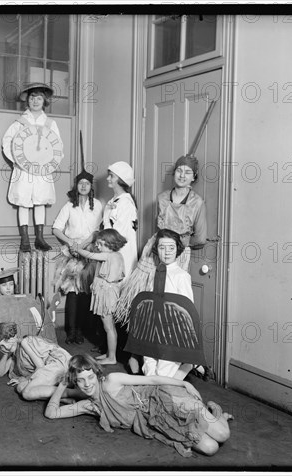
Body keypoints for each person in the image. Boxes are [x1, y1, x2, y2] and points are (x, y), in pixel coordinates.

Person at [44, 354, 233, 457]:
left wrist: (184, 383)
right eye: (80, 380)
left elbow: (151, 380)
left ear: (96, 373)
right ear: (74, 381)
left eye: (90, 377)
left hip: (164, 398)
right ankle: (214, 417)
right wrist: (61, 384)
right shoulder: (89, 406)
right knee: (211, 448)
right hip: (155, 420)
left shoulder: (111, 380)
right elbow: (52, 413)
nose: (87, 384)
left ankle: (215, 412)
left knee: (223, 434)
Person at [2, 82, 63, 252]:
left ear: (44, 101)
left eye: (39, 98)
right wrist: (17, 159)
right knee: (23, 201)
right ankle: (25, 239)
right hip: (24, 169)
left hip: (42, 169)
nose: (35, 101)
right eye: (32, 97)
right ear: (27, 101)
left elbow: (57, 147)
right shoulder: (20, 122)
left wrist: (49, 163)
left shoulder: (50, 124)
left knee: (40, 201)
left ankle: (40, 238)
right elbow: (7, 142)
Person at [52, 169, 103, 345]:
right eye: (80, 183)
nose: (83, 186)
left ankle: (82, 330)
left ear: (91, 187)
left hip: (89, 252)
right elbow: (56, 228)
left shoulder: (97, 205)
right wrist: (71, 243)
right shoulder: (69, 206)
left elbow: (97, 231)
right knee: (73, 292)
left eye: (87, 183)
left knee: (85, 292)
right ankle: (71, 331)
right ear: (76, 186)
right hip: (72, 254)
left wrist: (82, 246)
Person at [139, 228, 196, 380]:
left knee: (163, 373)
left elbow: (187, 307)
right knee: (149, 363)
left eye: (171, 248)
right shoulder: (154, 272)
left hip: (171, 329)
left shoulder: (182, 276)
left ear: (178, 249)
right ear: (156, 249)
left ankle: (187, 366)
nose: (167, 252)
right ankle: (153, 386)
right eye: (162, 247)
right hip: (152, 325)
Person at [70, 229, 127, 366]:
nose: (98, 247)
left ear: (110, 243)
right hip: (106, 291)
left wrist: (77, 248)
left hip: (107, 294)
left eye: (101, 244)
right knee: (109, 326)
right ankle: (109, 353)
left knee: (108, 327)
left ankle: (112, 357)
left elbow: (90, 255)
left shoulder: (110, 256)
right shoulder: (115, 255)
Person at [0, 322, 79, 401]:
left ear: (14, 337)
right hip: (48, 372)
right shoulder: (14, 355)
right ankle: (63, 398)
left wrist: (26, 378)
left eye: (6, 341)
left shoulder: (24, 342)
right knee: (20, 388)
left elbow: (40, 367)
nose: (4, 348)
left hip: (57, 364)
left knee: (25, 391)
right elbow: (0, 373)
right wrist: (5, 352)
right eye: (0, 347)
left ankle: (75, 393)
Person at [156, 155, 207, 272]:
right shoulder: (162, 198)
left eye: (188, 172)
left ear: (194, 177)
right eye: (179, 170)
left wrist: (177, 244)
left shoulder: (197, 203)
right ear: (174, 173)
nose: (182, 175)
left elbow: (200, 239)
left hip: (179, 254)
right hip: (158, 251)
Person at [103, 161, 138, 278]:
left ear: (121, 180)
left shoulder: (126, 203)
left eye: (111, 176)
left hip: (122, 253)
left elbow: (118, 237)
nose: (108, 178)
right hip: (112, 251)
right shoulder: (113, 201)